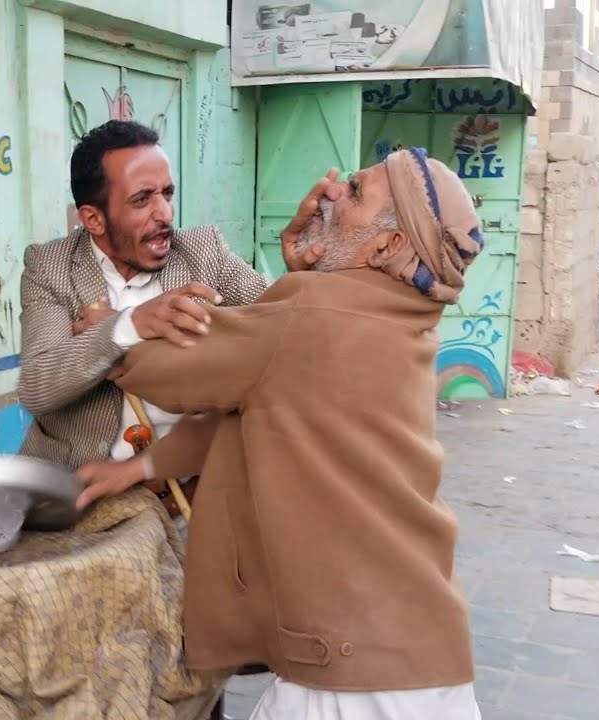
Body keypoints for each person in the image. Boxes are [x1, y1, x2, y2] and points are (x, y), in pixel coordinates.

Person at [76, 147, 484, 719]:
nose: (331, 192)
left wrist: (113, 331)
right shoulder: (397, 315)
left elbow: (182, 374)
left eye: (357, 193)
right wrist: (137, 469)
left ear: (388, 246)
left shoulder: (314, 313)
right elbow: (262, 394)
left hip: (356, 666)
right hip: (416, 642)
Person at [16, 119, 334, 518]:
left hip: (190, 503)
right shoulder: (50, 267)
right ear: (93, 219)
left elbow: (283, 333)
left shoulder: (204, 252)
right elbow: (37, 387)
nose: (164, 213)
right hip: (80, 505)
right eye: (142, 199)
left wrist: (299, 276)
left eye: (167, 193)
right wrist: (127, 326)